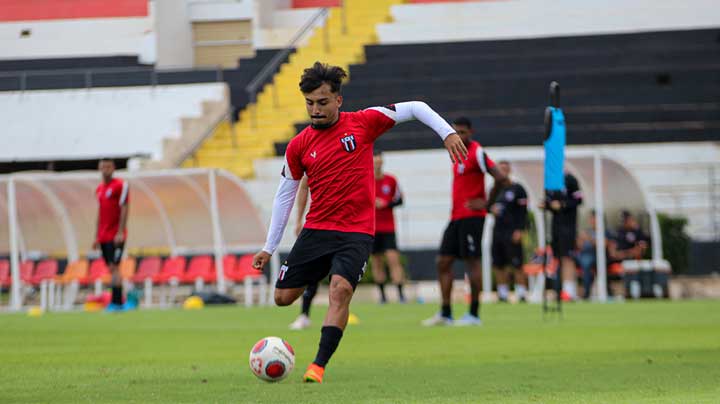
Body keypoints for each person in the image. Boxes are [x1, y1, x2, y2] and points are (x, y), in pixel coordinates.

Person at [252, 62, 467, 383]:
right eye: (310, 103)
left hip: (356, 233)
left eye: (322, 102)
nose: (315, 109)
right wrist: (269, 248)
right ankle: (325, 268)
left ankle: (318, 366)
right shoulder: (299, 145)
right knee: (282, 298)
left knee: (340, 292)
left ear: (338, 100)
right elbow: (285, 196)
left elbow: (416, 107)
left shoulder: (364, 123)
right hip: (317, 231)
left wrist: (447, 132)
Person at [422, 117, 505, 327]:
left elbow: (502, 178)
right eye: (455, 132)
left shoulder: (477, 152)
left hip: (472, 219)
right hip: (456, 217)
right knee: (443, 262)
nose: (459, 136)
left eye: (463, 132)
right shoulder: (456, 151)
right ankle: (446, 313)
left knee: (472, 263)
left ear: (471, 132)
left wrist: (486, 204)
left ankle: (474, 314)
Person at [93, 158, 131, 312]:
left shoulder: (120, 185)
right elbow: (100, 213)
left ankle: (117, 303)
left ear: (113, 168)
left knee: (115, 267)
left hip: (116, 235)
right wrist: (96, 236)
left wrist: (120, 231)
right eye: (103, 167)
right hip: (103, 236)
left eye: (108, 167)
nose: (105, 170)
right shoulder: (99, 189)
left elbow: (125, 207)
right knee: (111, 267)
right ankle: (118, 301)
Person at [370, 150, 407, 304]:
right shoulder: (365, 180)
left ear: (382, 162)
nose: (377, 165)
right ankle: (383, 297)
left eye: (379, 162)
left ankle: (400, 295)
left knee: (393, 260)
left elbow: (400, 200)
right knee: (377, 261)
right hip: (370, 228)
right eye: (375, 162)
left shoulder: (391, 180)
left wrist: (386, 203)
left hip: (388, 227)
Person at [490, 161, 528, 303]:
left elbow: (523, 212)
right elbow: (487, 206)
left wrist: (519, 230)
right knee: (499, 264)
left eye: (505, 169)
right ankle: (503, 294)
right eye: (500, 170)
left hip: (512, 232)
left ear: (509, 171)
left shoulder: (518, 189)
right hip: (498, 232)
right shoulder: (494, 190)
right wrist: (490, 209)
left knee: (517, 264)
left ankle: (522, 293)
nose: (502, 172)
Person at [541, 171, 582, 301]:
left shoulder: (570, 179)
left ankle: (569, 291)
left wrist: (562, 205)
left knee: (567, 258)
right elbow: (549, 202)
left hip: (568, 227)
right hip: (555, 227)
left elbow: (578, 200)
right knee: (557, 258)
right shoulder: (550, 182)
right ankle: (561, 289)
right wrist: (546, 205)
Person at [288, 176, 318, 330]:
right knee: (312, 274)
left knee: (340, 278)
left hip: (344, 228)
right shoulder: (316, 158)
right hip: (318, 227)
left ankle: (337, 317)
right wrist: (299, 220)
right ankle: (304, 315)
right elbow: (304, 186)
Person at [576, 210, 618, 300]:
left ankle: (587, 292)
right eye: (591, 218)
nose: (591, 221)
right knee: (582, 261)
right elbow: (579, 246)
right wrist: (581, 239)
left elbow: (604, 244)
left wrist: (589, 239)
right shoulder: (587, 231)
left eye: (593, 218)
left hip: (599, 257)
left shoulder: (605, 232)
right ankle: (581, 291)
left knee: (587, 263)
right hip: (584, 256)